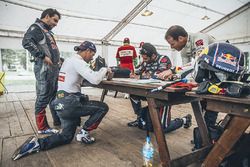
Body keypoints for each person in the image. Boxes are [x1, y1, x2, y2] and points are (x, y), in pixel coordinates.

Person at [12, 41, 110, 161]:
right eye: (92, 54)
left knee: (66, 137)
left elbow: (76, 78)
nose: (92, 58)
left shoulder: (68, 61)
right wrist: (105, 69)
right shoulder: (78, 62)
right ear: (87, 51)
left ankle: (37, 144)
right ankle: (84, 133)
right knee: (102, 107)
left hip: (60, 104)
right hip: (69, 104)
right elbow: (95, 79)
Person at [157, 25, 218, 130]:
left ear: (180, 38)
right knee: (204, 103)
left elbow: (199, 61)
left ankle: (209, 134)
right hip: (210, 72)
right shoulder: (184, 49)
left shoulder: (199, 39)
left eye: (172, 44)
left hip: (221, 71)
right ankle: (204, 134)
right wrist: (174, 76)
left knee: (211, 104)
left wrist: (172, 70)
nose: (172, 47)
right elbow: (186, 70)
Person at [128, 43, 192, 133]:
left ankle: (185, 120)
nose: (144, 60)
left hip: (163, 95)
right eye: (143, 58)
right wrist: (134, 74)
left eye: (145, 58)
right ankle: (140, 118)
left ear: (153, 55)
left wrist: (143, 76)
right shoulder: (145, 61)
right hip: (150, 91)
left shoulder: (164, 59)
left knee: (162, 129)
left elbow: (160, 76)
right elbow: (138, 72)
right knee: (133, 94)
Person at [22, 8, 62, 134]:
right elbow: (26, 42)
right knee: (43, 96)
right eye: (55, 20)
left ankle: (57, 121)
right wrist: (42, 56)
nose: (56, 24)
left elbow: (50, 48)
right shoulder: (37, 27)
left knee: (53, 96)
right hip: (44, 69)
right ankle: (42, 128)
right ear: (47, 16)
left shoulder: (47, 31)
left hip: (54, 69)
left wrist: (59, 59)